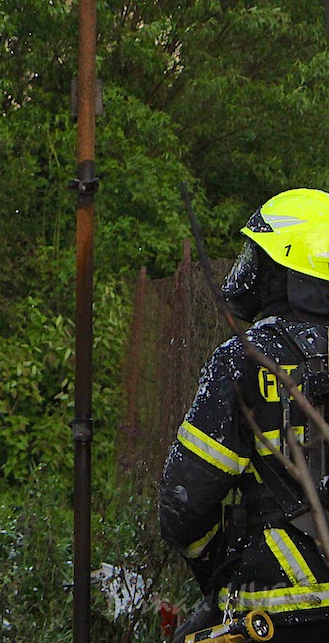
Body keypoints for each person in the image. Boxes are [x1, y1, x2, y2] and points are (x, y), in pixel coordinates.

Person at [161, 189, 329, 641]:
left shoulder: (247, 358)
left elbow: (184, 505)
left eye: (261, 258)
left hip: (277, 612)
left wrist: (218, 573)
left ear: (285, 271)